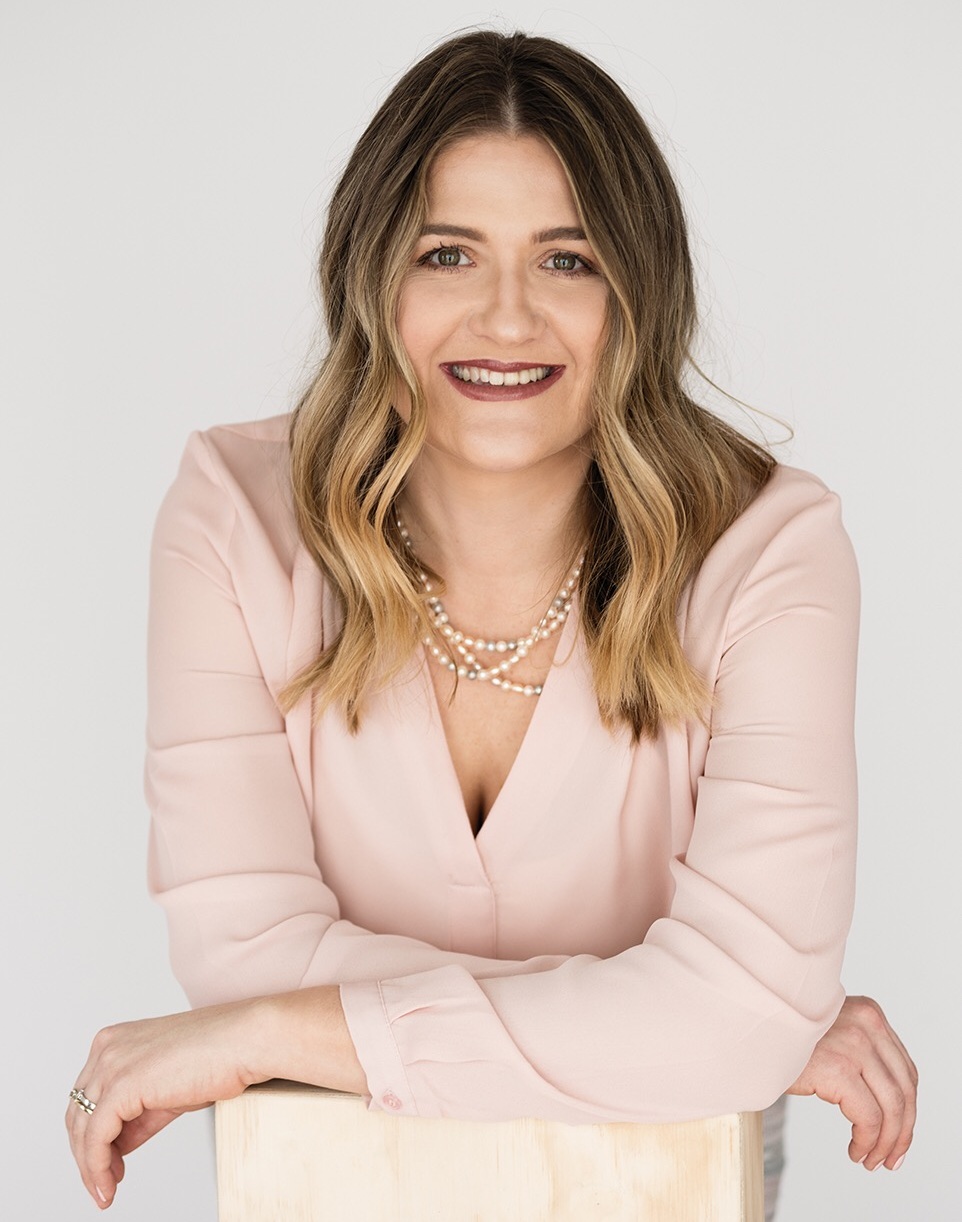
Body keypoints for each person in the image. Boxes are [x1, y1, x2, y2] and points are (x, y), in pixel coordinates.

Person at [66, 30, 917, 1216]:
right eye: (447, 253)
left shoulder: (768, 546)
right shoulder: (231, 518)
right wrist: (709, 1019)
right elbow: (241, 957)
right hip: (331, 1176)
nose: (505, 316)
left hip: (652, 1183)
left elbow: (255, 999)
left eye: (565, 259)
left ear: (637, 289)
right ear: (373, 277)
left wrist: (265, 1029)